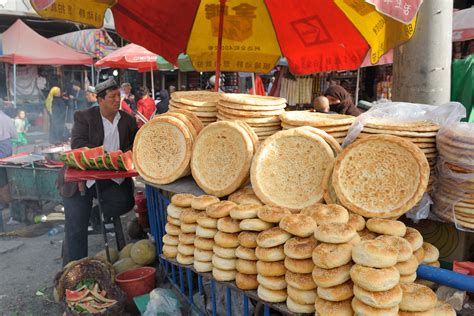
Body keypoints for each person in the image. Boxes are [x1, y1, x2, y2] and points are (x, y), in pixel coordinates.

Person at [59, 78, 138, 264]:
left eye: (119, 96)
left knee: (126, 201)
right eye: (112, 97)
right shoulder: (84, 117)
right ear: (100, 99)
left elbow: (135, 146)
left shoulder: (127, 120)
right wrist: (105, 156)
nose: (118, 100)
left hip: (111, 179)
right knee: (76, 226)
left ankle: (95, 214)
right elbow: (78, 145)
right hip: (81, 180)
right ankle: (73, 271)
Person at [0, 105, 16, 232]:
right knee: (6, 177)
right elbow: (14, 134)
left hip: (3, 146)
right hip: (7, 146)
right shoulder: (6, 118)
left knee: (3, 180)